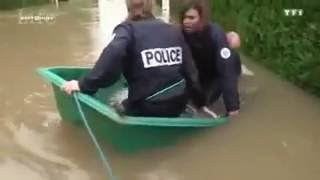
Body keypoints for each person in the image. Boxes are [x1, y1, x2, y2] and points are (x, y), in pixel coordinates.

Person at [62, 0, 201, 117]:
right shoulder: (174, 30)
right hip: (177, 105)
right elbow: (191, 72)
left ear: (128, 5)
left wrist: (83, 85)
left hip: (145, 108)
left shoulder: (127, 30)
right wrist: (198, 100)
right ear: (151, 4)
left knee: (119, 105)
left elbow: (111, 62)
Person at [180, 0, 241, 116]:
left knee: (204, 103)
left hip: (215, 74)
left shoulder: (215, 35)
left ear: (202, 19)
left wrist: (233, 108)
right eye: (184, 17)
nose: (186, 21)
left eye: (191, 18)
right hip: (197, 74)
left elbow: (226, 71)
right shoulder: (179, 34)